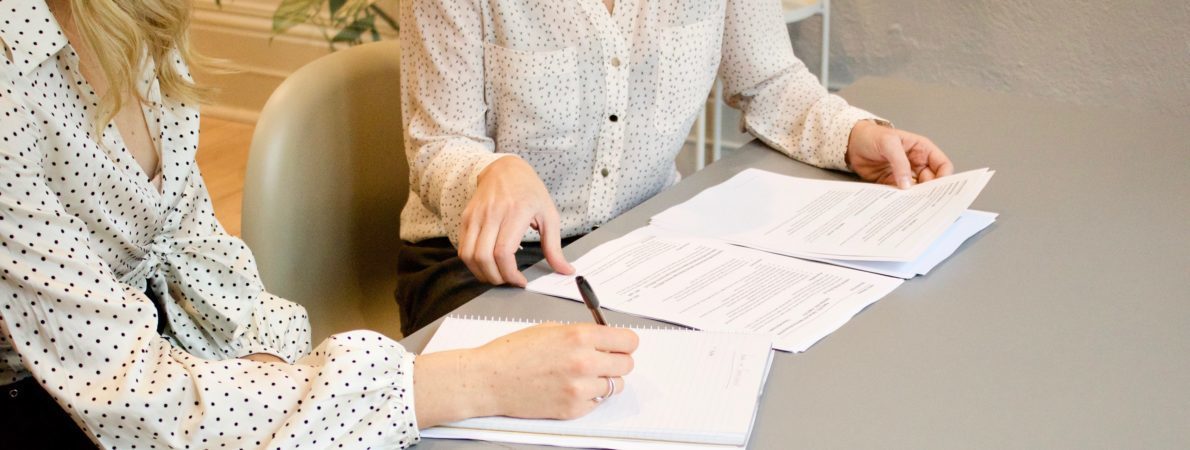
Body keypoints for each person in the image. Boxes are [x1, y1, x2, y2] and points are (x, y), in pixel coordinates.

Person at [0, 1, 636, 448]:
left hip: (154, 361)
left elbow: (200, 261)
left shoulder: (134, 22)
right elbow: (131, 395)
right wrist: (473, 381)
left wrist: (281, 374)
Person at [396, 0, 956, 334]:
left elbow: (768, 81)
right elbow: (439, 141)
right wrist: (488, 173)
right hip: (480, 261)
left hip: (643, 243)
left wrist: (855, 135)